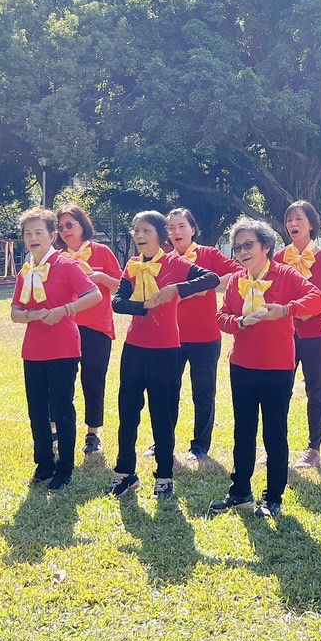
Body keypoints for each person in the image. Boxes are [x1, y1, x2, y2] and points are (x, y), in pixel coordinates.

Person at [211, 218, 321, 517]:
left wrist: (287, 310)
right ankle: (240, 493)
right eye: (238, 247)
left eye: (249, 245)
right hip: (242, 365)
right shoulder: (236, 280)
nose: (242, 252)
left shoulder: (286, 275)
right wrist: (239, 322)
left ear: (267, 246)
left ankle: (273, 497)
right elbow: (221, 316)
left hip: (276, 366)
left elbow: (317, 299)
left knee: (275, 433)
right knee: (243, 431)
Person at [109, 210, 221, 499]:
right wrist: (142, 306)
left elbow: (211, 278)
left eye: (146, 230)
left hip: (168, 350)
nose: (140, 236)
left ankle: (165, 475)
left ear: (161, 235)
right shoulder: (132, 265)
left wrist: (176, 289)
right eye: (136, 230)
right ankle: (125, 472)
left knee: (163, 415)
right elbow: (117, 302)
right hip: (134, 348)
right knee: (127, 413)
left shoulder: (175, 263)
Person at [10, 208, 101, 490]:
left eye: (39, 232)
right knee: (36, 409)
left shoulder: (66, 265)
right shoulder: (26, 272)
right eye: (28, 233)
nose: (33, 238)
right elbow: (15, 311)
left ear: (52, 236)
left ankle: (65, 468)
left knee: (62, 408)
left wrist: (65, 310)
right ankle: (44, 463)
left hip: (63, 347)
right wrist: (29, 316)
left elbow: (94, 295)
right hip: (33, 349)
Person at [166, 207, 240, 462]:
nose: (176, 232)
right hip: (170, 337)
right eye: (171, 228)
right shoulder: (165, 260)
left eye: (181, 226)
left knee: (203, 392)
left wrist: (204, 285)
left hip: (206, 337)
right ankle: (162, 441)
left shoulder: (208, 254)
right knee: (167, 391)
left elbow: (237, 274)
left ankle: (200, 446)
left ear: (193, 230)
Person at [280, 200, 321, 469]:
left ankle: (313, 449)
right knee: (279, 389)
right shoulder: (278, 258)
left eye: (298, 219)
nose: (293, 225)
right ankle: (276, 444)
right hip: (283, 334)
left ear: (311, 225)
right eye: (289, 220)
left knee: (316, 390)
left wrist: (319, 309)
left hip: (316, 335)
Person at [55, 205, 122, 455]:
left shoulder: (101, 252)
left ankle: (93, 433)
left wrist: (99, 277)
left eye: (69, 225)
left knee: (93, 381)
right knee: (62, 381)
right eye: (60, 227)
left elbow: (120, 287)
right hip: (64, 327)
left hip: (97, 327)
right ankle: (58, 430)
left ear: (83, 224)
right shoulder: (57, 257)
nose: (65, 231)